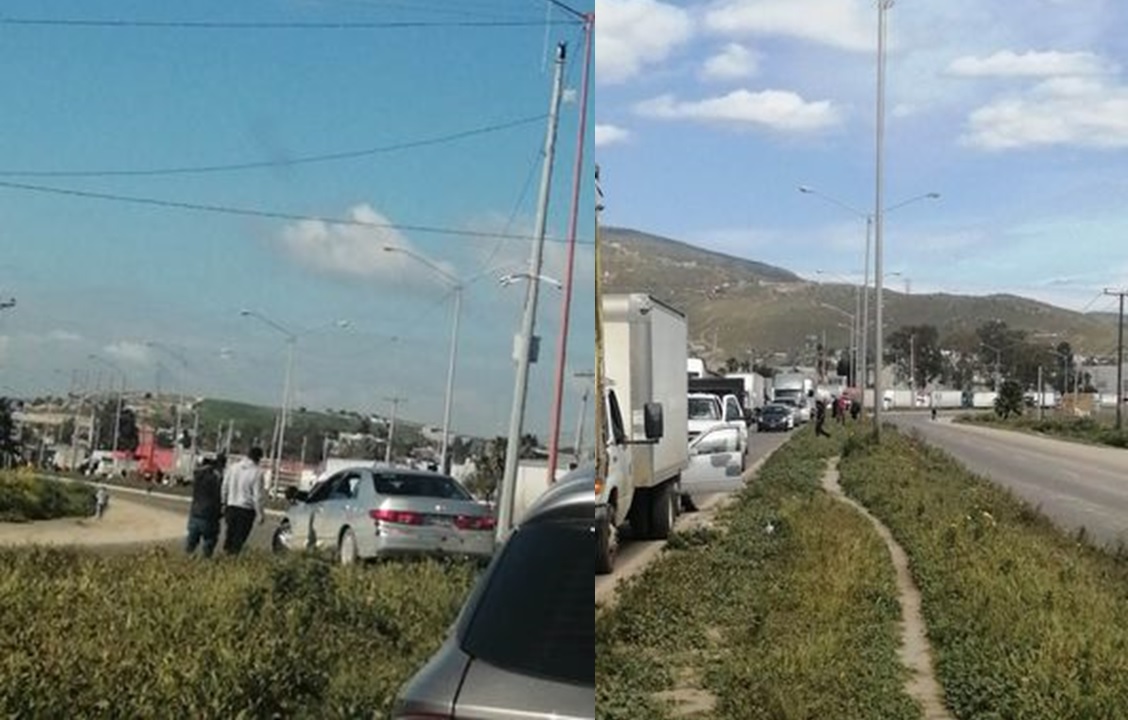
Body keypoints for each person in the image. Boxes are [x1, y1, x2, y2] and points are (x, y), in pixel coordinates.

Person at [221, 447, 265, 555]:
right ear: (258, 458)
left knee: (230, 535)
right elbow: (257, 496)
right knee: (239, 539)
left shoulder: (233, 467)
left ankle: (226, 557)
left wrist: (223, 502)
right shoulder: (257, 472)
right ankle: (233, 560)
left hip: (231, 506)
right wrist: (260, 513)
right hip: (246, 510)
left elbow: (225, 486)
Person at [186, 454, 226, 558]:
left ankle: (188, 560)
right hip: (210, 517)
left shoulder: (197, 478)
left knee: (191, 544)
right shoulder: (215, 479)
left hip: (195, 514)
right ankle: (205, 562)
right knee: (209, 542)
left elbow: (197, 471)